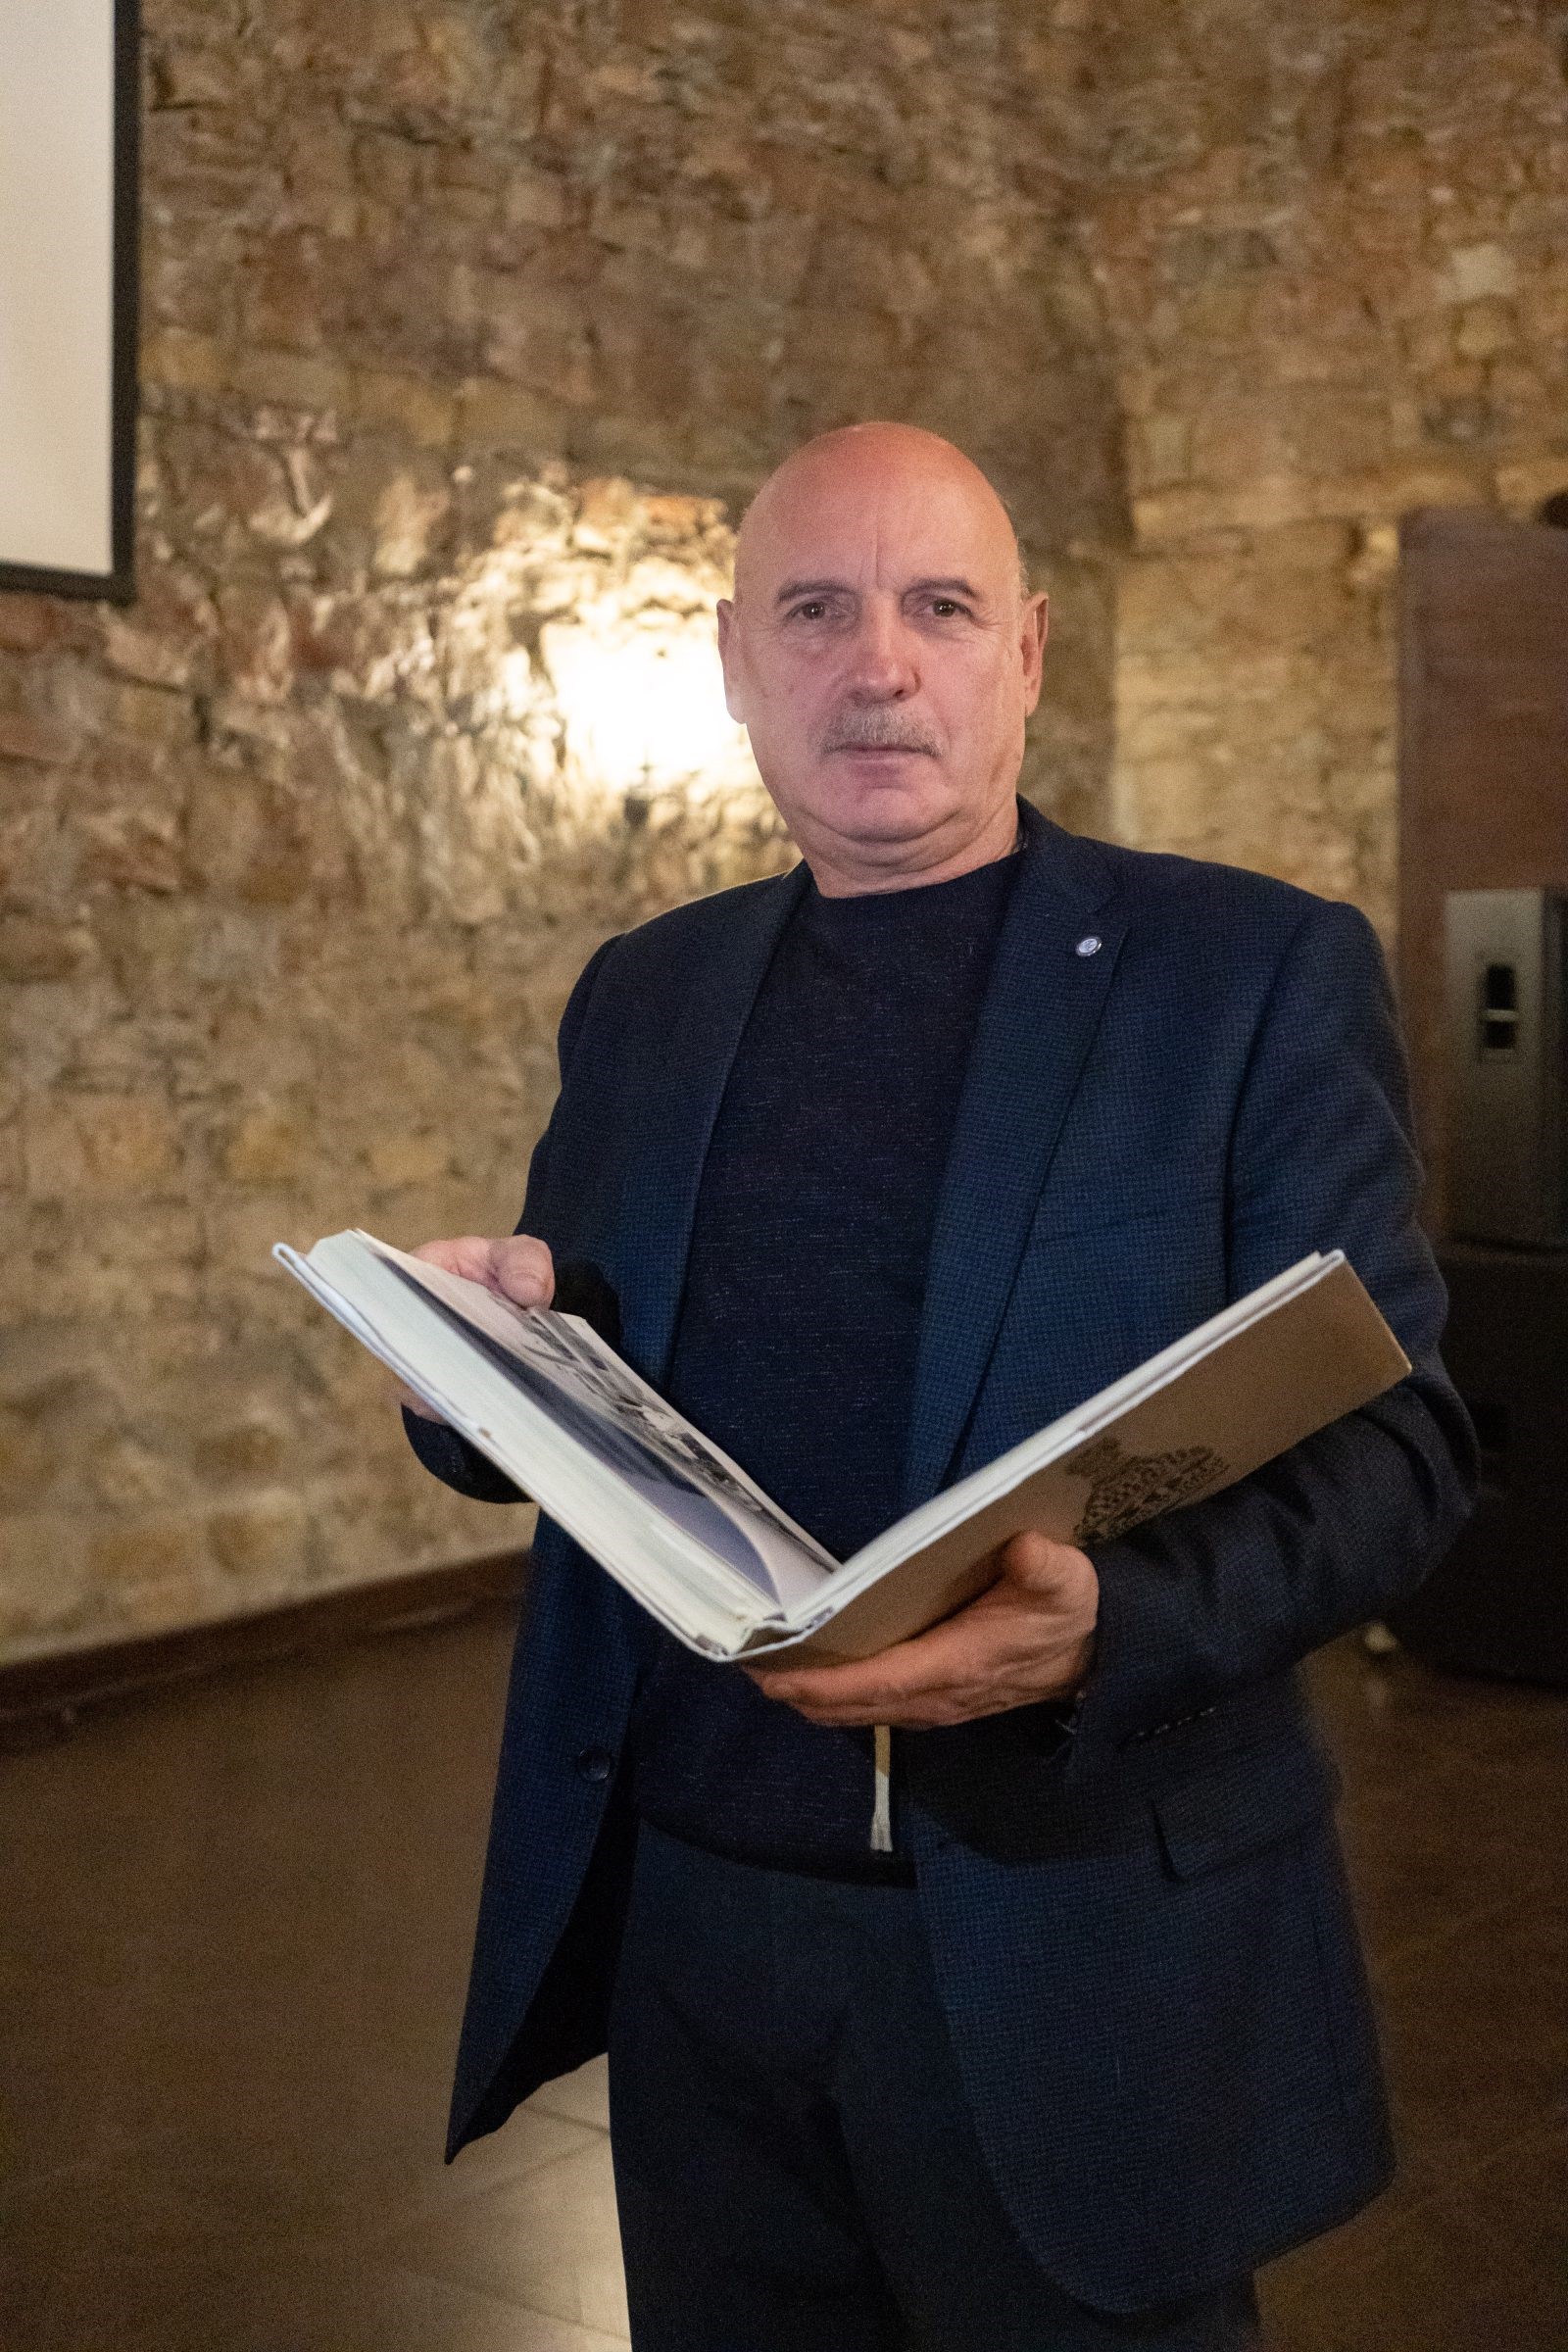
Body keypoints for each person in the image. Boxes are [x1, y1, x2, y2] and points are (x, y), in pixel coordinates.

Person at [399, 422, 1476, 2350]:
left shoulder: (1243, 974)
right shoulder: (648, 990)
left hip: (1074, 1931)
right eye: (815, 611)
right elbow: (604, 1372)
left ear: (1027, 653)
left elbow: (1397, 1451)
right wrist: (473, 1361)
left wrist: (1109, 1627)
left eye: (940, 607)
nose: (877, 663)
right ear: (736, 662)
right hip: (697, 1922)